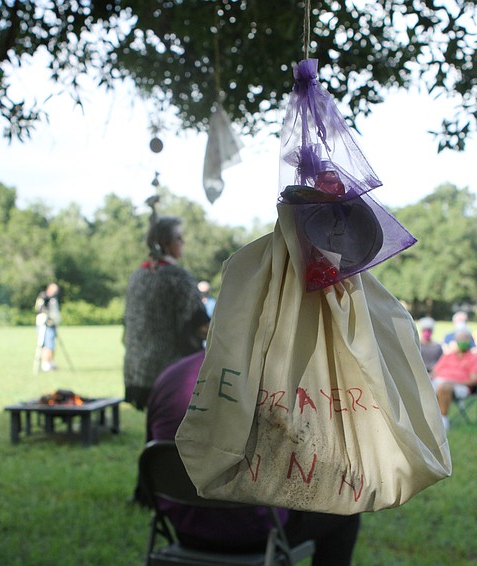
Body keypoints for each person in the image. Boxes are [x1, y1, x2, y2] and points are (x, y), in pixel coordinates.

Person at [147, 351, 361, 565]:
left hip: (187, 528)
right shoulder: (278, 379)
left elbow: (154, 464)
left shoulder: (170, 377)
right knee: (344, 510)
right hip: (258, 534)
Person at [123, 216, 209, 410]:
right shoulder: (177, 276)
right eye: (179, 238)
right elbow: (201, 326)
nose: (183, 242)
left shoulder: (137, 275)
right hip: (171, 372)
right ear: (166, 244)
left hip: (138, 370)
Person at [431, 329, 477, 431]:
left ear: (470, 341)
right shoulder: (448, 356)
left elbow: (475, 380)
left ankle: (443, 421)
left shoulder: (474, 359)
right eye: (460, 339)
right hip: (438, 382)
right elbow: (435, 372)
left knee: (444, 387)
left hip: (461, 386)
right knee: (423, 386)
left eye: (465, 339)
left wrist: (454, 382)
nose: (462, 341)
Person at [34, 282, 62, 372]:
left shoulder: (53, 299)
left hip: (52, 323)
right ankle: (45, 364)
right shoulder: (43, 297)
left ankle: (50, 362)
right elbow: (39, 308)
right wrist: (48, 316)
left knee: (52, 344)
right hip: (45, 324)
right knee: (47, 344)